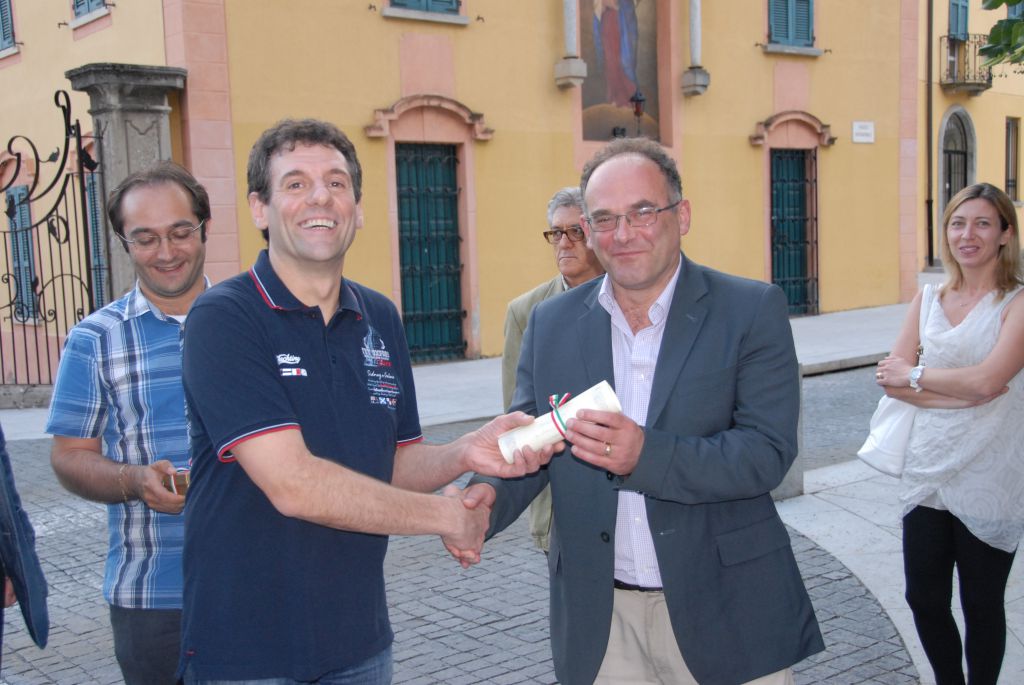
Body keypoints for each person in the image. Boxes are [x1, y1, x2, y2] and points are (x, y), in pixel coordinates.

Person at [178, 118, 554, 684]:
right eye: (296, 184)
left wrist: (465, 452)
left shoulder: (378, 316)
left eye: (336, 182)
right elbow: (293, 484)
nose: (320, 198)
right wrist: (447, 517)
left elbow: (392, 461)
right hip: (247, 650)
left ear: (356, 207)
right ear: (259, 208)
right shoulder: (225, 317)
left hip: (359, 644)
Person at [462, 137, 824, 685]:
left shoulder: (750, 309)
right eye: (604, 219)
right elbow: (535, 438)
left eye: (643, 212)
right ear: (588, 230)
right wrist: (485, 498)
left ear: (682, 215)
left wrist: (645, 455)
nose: (623, 234)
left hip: (726, 608)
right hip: (602, 621)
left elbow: (767, 452)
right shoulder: (552, 324)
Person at [46, 161, 211, 685]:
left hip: (262, 583)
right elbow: (69, 456)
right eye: (145, 238)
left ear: (204, 227)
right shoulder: (94, 340)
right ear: (124, 243)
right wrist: (134, 481)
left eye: (180, 232)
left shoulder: (256, 324)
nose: (166, 252)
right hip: (152, 597)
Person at [876, 182, 1024, 685]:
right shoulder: (928, 298)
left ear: (1005, 234)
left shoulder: (1016, 303)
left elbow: (988, 380)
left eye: (982, 223)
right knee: (923, 597)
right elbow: (891, 381)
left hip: (990, 470)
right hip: (927, 468)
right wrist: (959, 395)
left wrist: (918, 377)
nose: (968, 235)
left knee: (981, 602)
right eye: (958, 223)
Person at [502, 186, 604, 552]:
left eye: (575, 232)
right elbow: (518, 415)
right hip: (559, 492)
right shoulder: (525, 312)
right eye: (556, 233)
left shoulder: (627, 297)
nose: (564, 243)